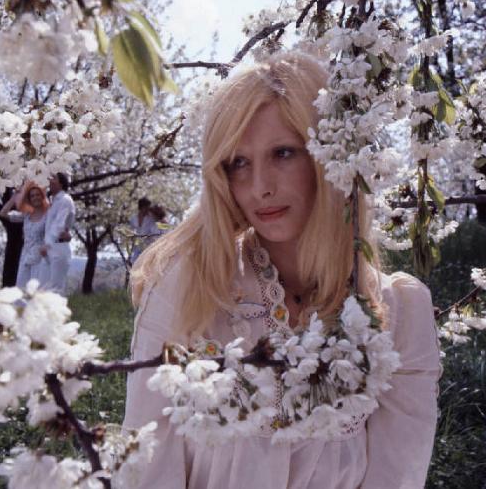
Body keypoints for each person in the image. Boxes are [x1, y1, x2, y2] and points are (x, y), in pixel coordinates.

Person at [124, 52, 441, 488]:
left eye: (284, 153)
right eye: (239, 163)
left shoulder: (400, 312)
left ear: (328, 159)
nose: (260, 187)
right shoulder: (188, 289)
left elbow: (398, 476)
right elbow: (147, 468)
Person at [0, 182, 49, 288]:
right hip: (26, 257)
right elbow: (3, 213)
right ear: (29, 199)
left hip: (41, 258)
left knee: (37, 290)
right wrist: (14, 197)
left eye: (37, 194)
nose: (35, 197)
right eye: (32, 196)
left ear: (42, 196)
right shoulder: (26, 216)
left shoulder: (48, 215)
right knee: (22, 289)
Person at [39, 172, 75, 296]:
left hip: (59, 249)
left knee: (56, 290)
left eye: (53, 178)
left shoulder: (65, 200)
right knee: (43, 289)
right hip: (48, 249)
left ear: (61, 183)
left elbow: (59, 226)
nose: (50, 180)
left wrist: (46, 244)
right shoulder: (52, 202)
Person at [128, 197, 157, 263]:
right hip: (138, 245)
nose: (147, 209)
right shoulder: (133, 219)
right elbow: (131, 234)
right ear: (141, 207)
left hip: (149, 245)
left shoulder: (151, 218)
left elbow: (155, 231)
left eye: (148, 207)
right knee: (134, 263)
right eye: (146, 207)